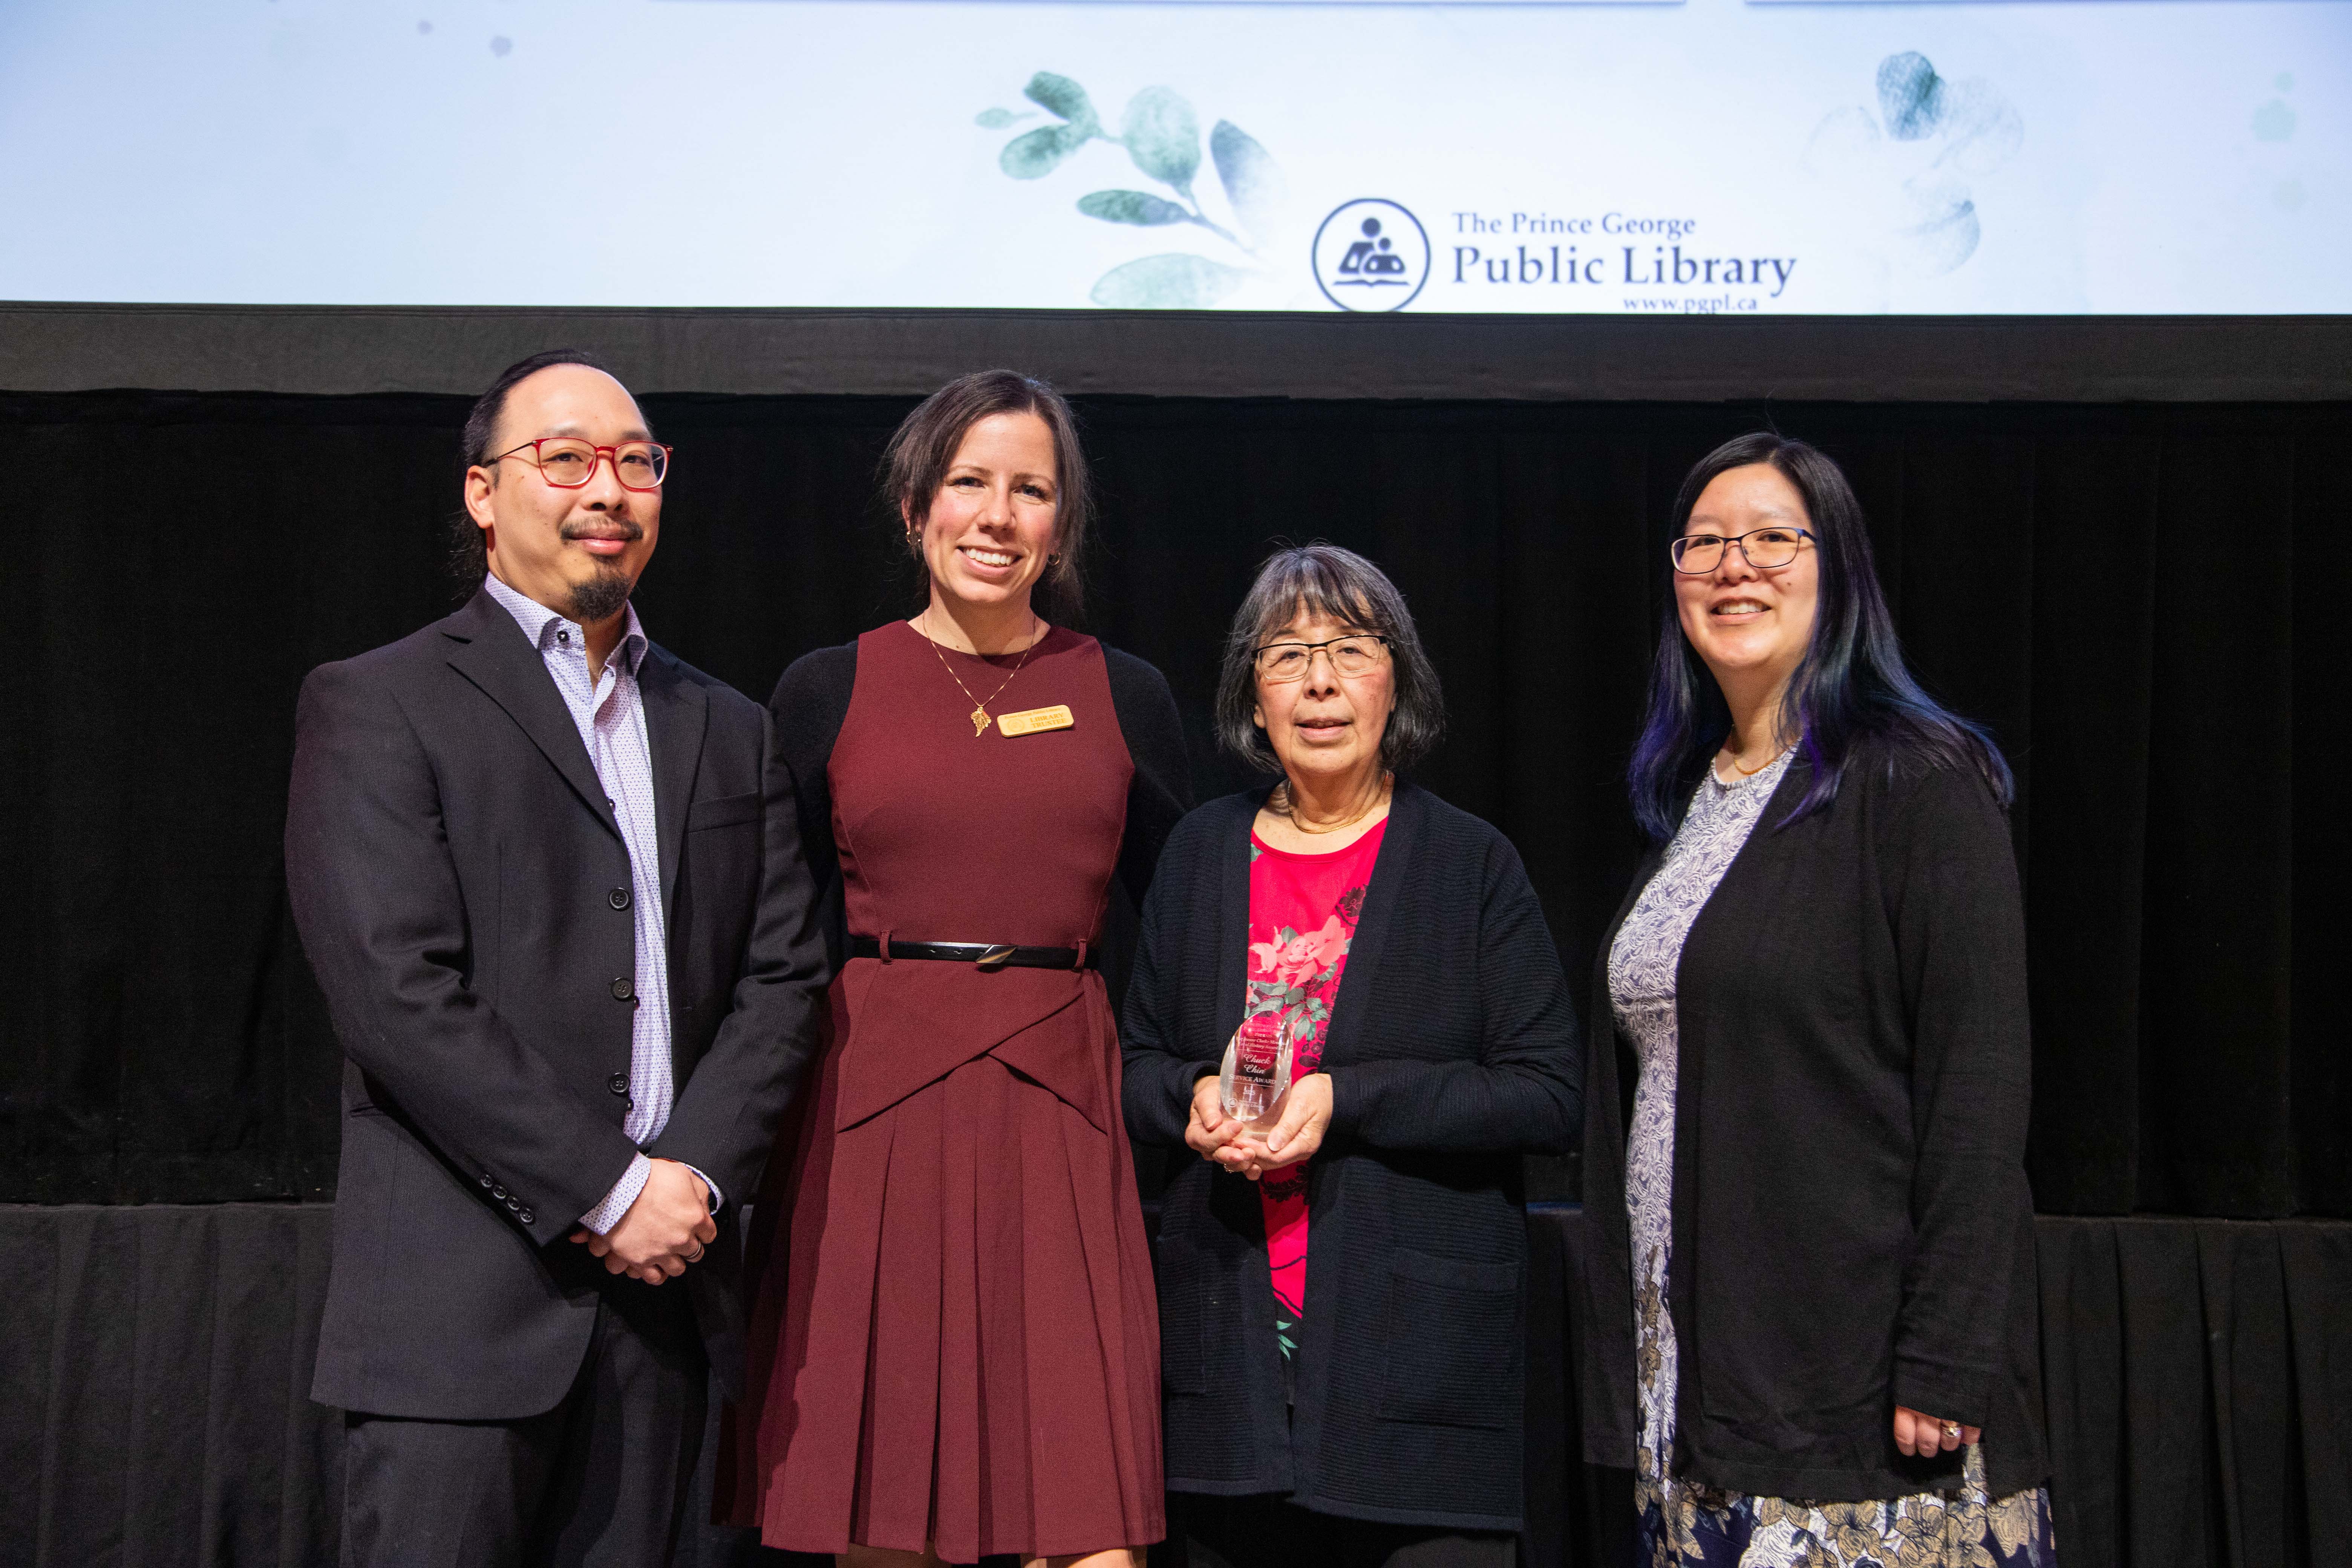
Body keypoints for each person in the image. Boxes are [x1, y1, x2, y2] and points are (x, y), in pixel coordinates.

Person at [284, 350, 830, 1565]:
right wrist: (611, 1187)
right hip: (455, 1319)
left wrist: (686, 1182)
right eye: (568, 458)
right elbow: (394, 991)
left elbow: (784, 976)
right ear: (483, 493)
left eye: (638, 463)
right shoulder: (379, 702)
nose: (610, 490)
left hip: (668, 1310)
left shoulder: (727, 726)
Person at [721, 369, 1191, 1568]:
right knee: (887, 1506)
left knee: (1082, 1515)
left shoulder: (1126, 694)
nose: (998, 514)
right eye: (970, 483)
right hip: (869, 1111)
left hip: (1062, 1110)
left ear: (1062, 523)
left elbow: (1184, 931)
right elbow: (767, 936)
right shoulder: (828, 687)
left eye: (1030, 490)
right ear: (915, 506)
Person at [1579, 433, 2055, 1565]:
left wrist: (1945, 1350)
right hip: (1696, 1370)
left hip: (1856, 1383)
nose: (1734, 565)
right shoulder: (1693, 801)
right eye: (1704, 543)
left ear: (1838, 570)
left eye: (1772, 539)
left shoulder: (1919, 779)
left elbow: (1979, 1087)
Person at [1122, 544, 1582, 1568]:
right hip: (1224, 1385)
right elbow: (1132, 1063)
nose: (1320, 681)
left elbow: (1548, 1094)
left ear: (1397, 677)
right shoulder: (1200, 854)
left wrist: (1348, 1098)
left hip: (1415, 1384)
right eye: (1288, 654)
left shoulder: (1470, 865)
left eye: (1349, 649)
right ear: (1254, 691)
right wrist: (1190, 1095)